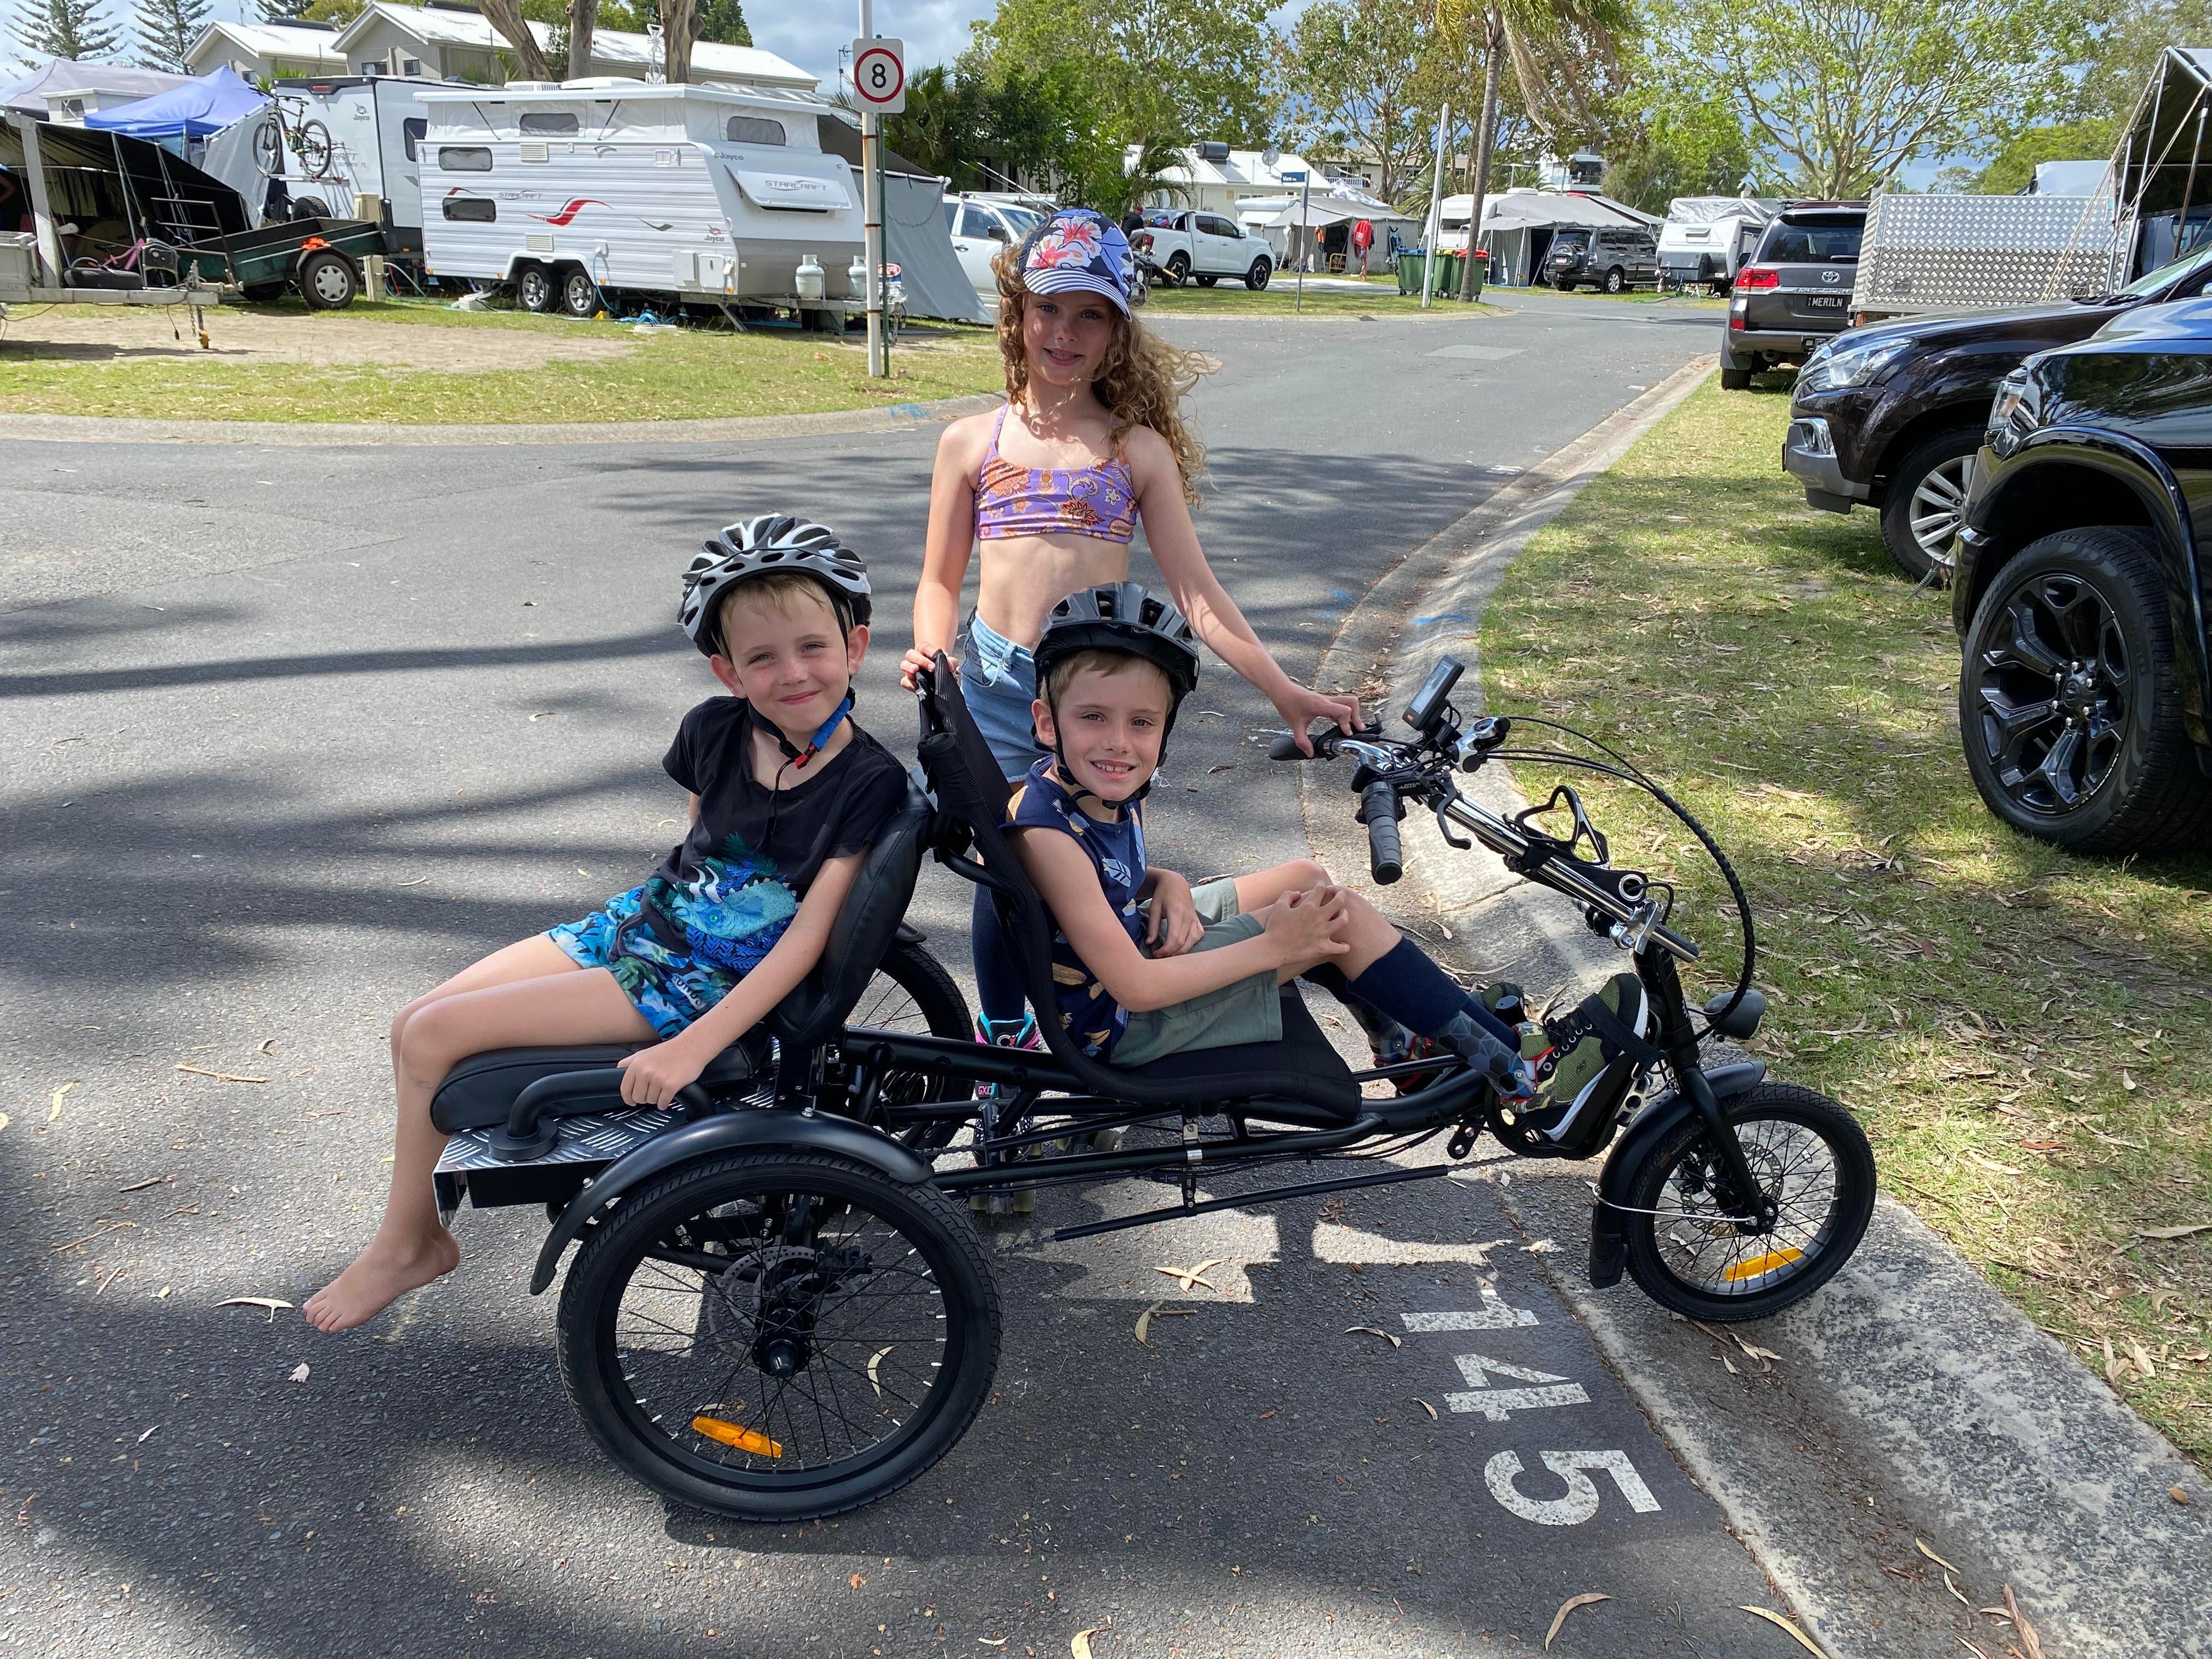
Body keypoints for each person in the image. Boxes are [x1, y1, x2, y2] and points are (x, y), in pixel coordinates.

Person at [304, 517, 911, 1331]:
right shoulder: (712, 730)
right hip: (639, 927)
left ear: (857, 645)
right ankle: (418, 1234)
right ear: (726, 670)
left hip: (698, 982)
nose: (792, 673)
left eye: (813, 648)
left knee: (432, 1039)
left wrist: (691, 1046)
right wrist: (627, 934)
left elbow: (805, 944)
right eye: (762, 657)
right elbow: (695, 851)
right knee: (411, 1023)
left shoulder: (868, 781)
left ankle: (405, 1245)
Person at [899, 205, 1361, 1056]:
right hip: (996, 693)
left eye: (1090, 315)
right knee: (1010, 876)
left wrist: (1285, 691)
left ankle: (1088, 1031)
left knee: (1085, 873)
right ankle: (1007, 1051)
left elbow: (1200, 596)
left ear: (1117, 331)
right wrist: (934, 652)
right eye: (1049, 308)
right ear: (1016, 315)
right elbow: (938, 579)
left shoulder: (1133, 451)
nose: (1064, 332)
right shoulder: (971, 443)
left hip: (1095, 698)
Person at [1005, 583, 1653, 1140]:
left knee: (1306, 879)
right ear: (1045, 721)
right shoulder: (1050, 832)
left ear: (1165, 727)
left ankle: (1407, 1044)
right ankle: (1524, 1077)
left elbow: (1101, 880)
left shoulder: (1079, 788)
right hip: (1122, 1024)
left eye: (1142, 723)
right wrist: (1276, 947)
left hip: (1122, 954)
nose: (1119, 742)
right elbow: (1136, 987)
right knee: (1335, 916)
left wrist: (1166, 880)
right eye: (1093, 717)